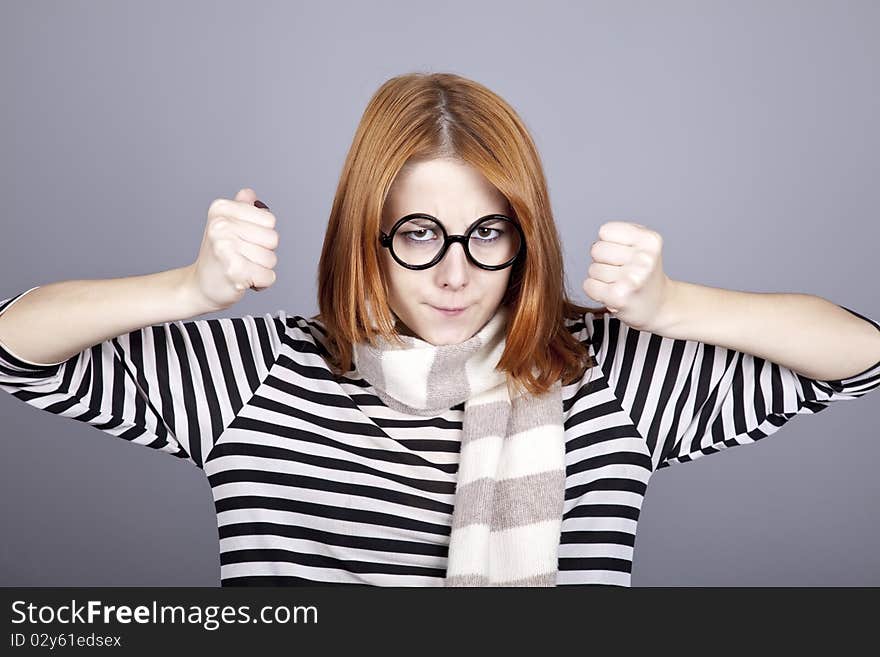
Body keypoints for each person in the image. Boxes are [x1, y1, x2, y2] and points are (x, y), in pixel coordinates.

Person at [1, 72, 879, 587]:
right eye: (419, 233)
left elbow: (862, 356)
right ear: (366, 237)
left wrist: (672, 306)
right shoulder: (252, 374)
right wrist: (186, 288)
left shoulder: (607, 375)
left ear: (526, 236)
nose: (455, 273)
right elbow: (15, 347)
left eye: (488, 232)